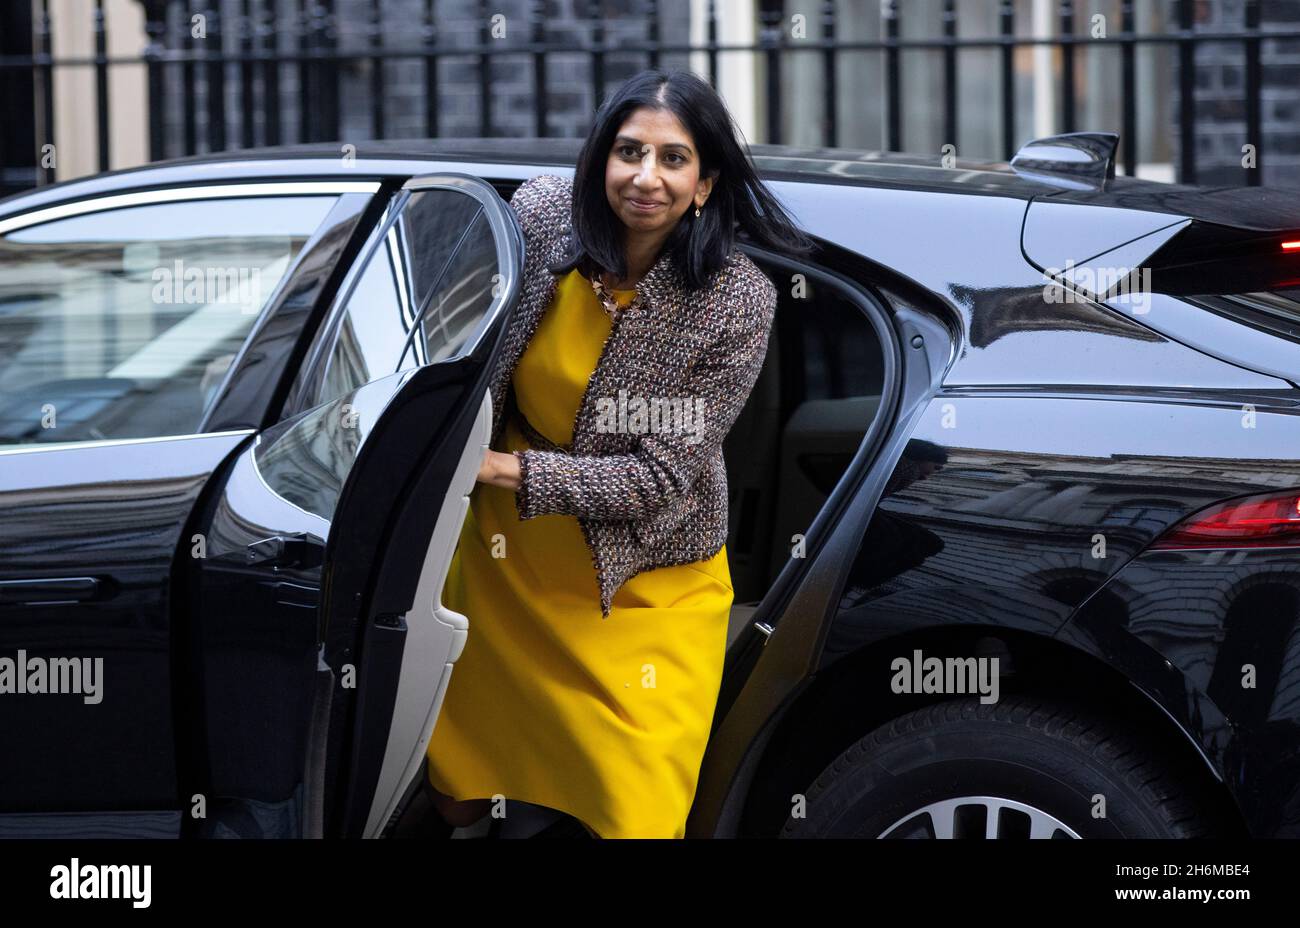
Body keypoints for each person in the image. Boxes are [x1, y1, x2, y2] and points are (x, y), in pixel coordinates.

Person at [422, 67, 816, 839]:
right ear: (600, 159)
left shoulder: (734, 301)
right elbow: (443, 337)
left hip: (649, 582)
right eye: (629, 152)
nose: (646, 177)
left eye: (673, 159)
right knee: (462, 777)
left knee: (636, 809)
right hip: (508, 567)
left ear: (704, 184)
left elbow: (661, 476)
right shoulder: (537, 223)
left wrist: (494, 469)